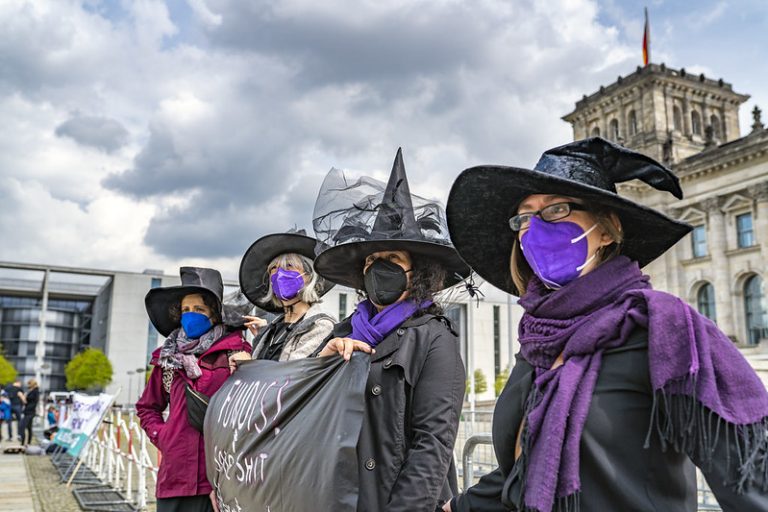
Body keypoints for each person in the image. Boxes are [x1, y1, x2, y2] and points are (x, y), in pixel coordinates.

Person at [443, 137, 768, 511]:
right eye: (524, 217)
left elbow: (751, 485)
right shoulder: (538, 340)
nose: (535, 227)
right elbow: (524, 469)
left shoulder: (663, 330)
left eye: (557, 209)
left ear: (607, 230)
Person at [312, 148, 470, 511]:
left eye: (393, 260)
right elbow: (303, 405)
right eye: (371, 261)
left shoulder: (435, 338)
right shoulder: (342, 332)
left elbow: (432, 446)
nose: (378, 268)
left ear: (419, 272)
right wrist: (321, 363)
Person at [136, 267, 251, 512]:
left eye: (199, 309)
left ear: (214, 315)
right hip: (174, 479)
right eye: (186, 310)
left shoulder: (236, 352)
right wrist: (163, 436)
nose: (191, 315)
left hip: (219, 478)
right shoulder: (166, 359)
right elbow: (147, 407)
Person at [228, 229, 336, 370]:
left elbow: (293, 375)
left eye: (289, 266)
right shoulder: (271, 330)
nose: (279, 274)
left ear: (309, 276)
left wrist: (249, 366)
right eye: (274, 268)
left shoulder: (320, 325)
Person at [20, 379, 39, 446]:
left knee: (22, 427)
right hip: (29, 411)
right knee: (29, 427)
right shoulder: (33, 391)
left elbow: (27, 402)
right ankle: (28, 443)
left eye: (29, 384)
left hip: (29, 412)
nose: (28, 385)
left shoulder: (35, 391)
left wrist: (22, 396)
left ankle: (23, 443)